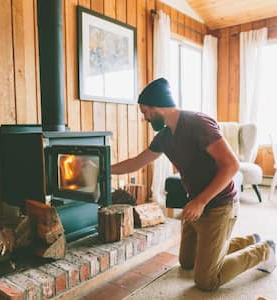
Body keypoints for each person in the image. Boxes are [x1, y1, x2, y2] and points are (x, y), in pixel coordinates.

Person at [111, 77, 276, 291]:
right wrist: (105, 169)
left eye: (145, 112)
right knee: (187, 262)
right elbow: (137, 162)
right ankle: (249, 240)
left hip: (219, 204)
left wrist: (200, 201)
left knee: (206, 280)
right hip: (196, 205)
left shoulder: (198, 124)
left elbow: (232, 165)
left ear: (157, 106)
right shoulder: (164, 137)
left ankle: (265, 250)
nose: (145, 118)